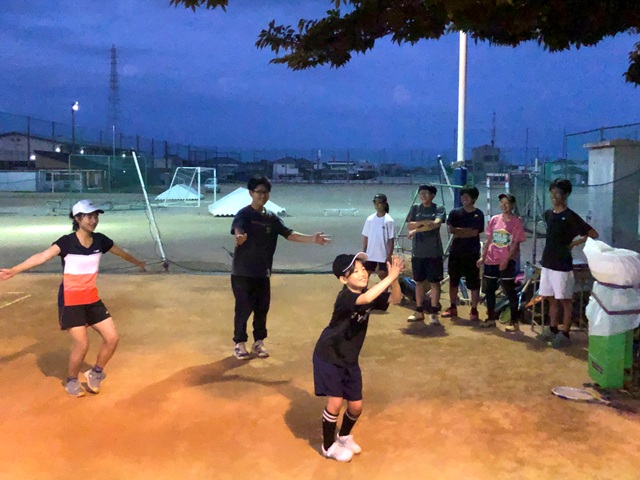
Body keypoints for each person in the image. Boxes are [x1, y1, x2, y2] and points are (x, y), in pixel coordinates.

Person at [0, 200, 146, 397]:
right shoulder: (66, 242)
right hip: (71, 300)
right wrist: (14, 270)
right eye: (89, 216)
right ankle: (72, 380)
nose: (94, 220)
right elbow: (42, 256)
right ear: (77, 219)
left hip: (91, 298)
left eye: (96, 216)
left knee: (112, 338)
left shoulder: (100, 240)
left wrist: (138, 262)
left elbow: (120, 252)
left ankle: (95, 373)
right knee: (82, 344)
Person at [312, 252, 404, 462]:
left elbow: (395, 299)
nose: (362, 273)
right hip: (329, 355)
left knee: (355, 406)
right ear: (343, 279)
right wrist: (390, 277)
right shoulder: (345, 297)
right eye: (355, 271)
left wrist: (395, 279)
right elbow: (366, 299)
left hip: (349, 359)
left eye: (363, 269)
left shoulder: (367, 293)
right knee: (335, 402)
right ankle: (328, 446)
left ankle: (344, 436)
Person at [231, 176, 331, 360]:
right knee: (243, 308)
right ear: (251, 193)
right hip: (242, 272)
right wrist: (240, 238)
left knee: (262, 309)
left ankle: (258, 342)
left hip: (263, 272)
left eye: (266, 192)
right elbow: (238, 229)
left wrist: (312, 239)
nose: (263, 195)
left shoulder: (271, 217)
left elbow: (289, 234)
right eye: (259, 192)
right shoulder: (243, 214)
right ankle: (239, 343)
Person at [537, 178, 598, 348]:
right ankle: (553, 328)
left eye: (557, 193)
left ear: (566, 195)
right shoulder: (548, 214)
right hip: (547, 262)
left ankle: (565, 333)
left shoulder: (571, 216)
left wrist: (573, 244)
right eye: (552, 193)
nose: (554, 196)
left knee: (565, 300)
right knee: (550, 298)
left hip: (562, 264)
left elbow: (592, 234)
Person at [477, 193, 527, 331]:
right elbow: (489, 240)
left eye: (507, 203)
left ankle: (514, 321)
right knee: (490, 290)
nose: (504, 205)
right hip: (491, 260)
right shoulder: (494, 219)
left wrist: (506, 260)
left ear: (512, 205)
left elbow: (515, 244)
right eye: (502, 202)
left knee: (509, 290)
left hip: (507, 262)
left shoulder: (516, 221)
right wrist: (483, 257)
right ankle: (490, 318)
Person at [405, 184, 446, 325]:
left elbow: (435, 224)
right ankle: (419, 311)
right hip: (418, 252)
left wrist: (416, 229)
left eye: (426, 193)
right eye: (421, 193)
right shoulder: (415, 208)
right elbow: (409, 225)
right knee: (419, 282)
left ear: (432, 195)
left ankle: (434, 313)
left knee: (435, 283)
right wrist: (422, 222)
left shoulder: (439, 208)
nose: (422, 196)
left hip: (433, 252)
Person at [442, 186, 484, 321]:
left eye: (467, 196)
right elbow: (452, 230)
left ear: (474, 198)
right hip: (456, 252)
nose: (464, 198)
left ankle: (474, 309)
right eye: (462, 196)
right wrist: (466, 231)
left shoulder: (479, 214)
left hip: (472, 253)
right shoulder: (455, 213)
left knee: (474, 282)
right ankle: (452, 307)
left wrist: (461, 232)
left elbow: (475, 232)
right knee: (453, 280)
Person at [361, 193, 395, 281]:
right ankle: (363, 289)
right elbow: (366, 236)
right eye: (375, 203)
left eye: (379, 203)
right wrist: (364, 252)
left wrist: (389, 255)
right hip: (370, 253)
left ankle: (386, 290)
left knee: (383, 274)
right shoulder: (370, 219)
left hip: (383, 254)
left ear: (384, 204)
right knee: (365, 274)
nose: (377, 205)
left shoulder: (389, 220)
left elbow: (391, 240)